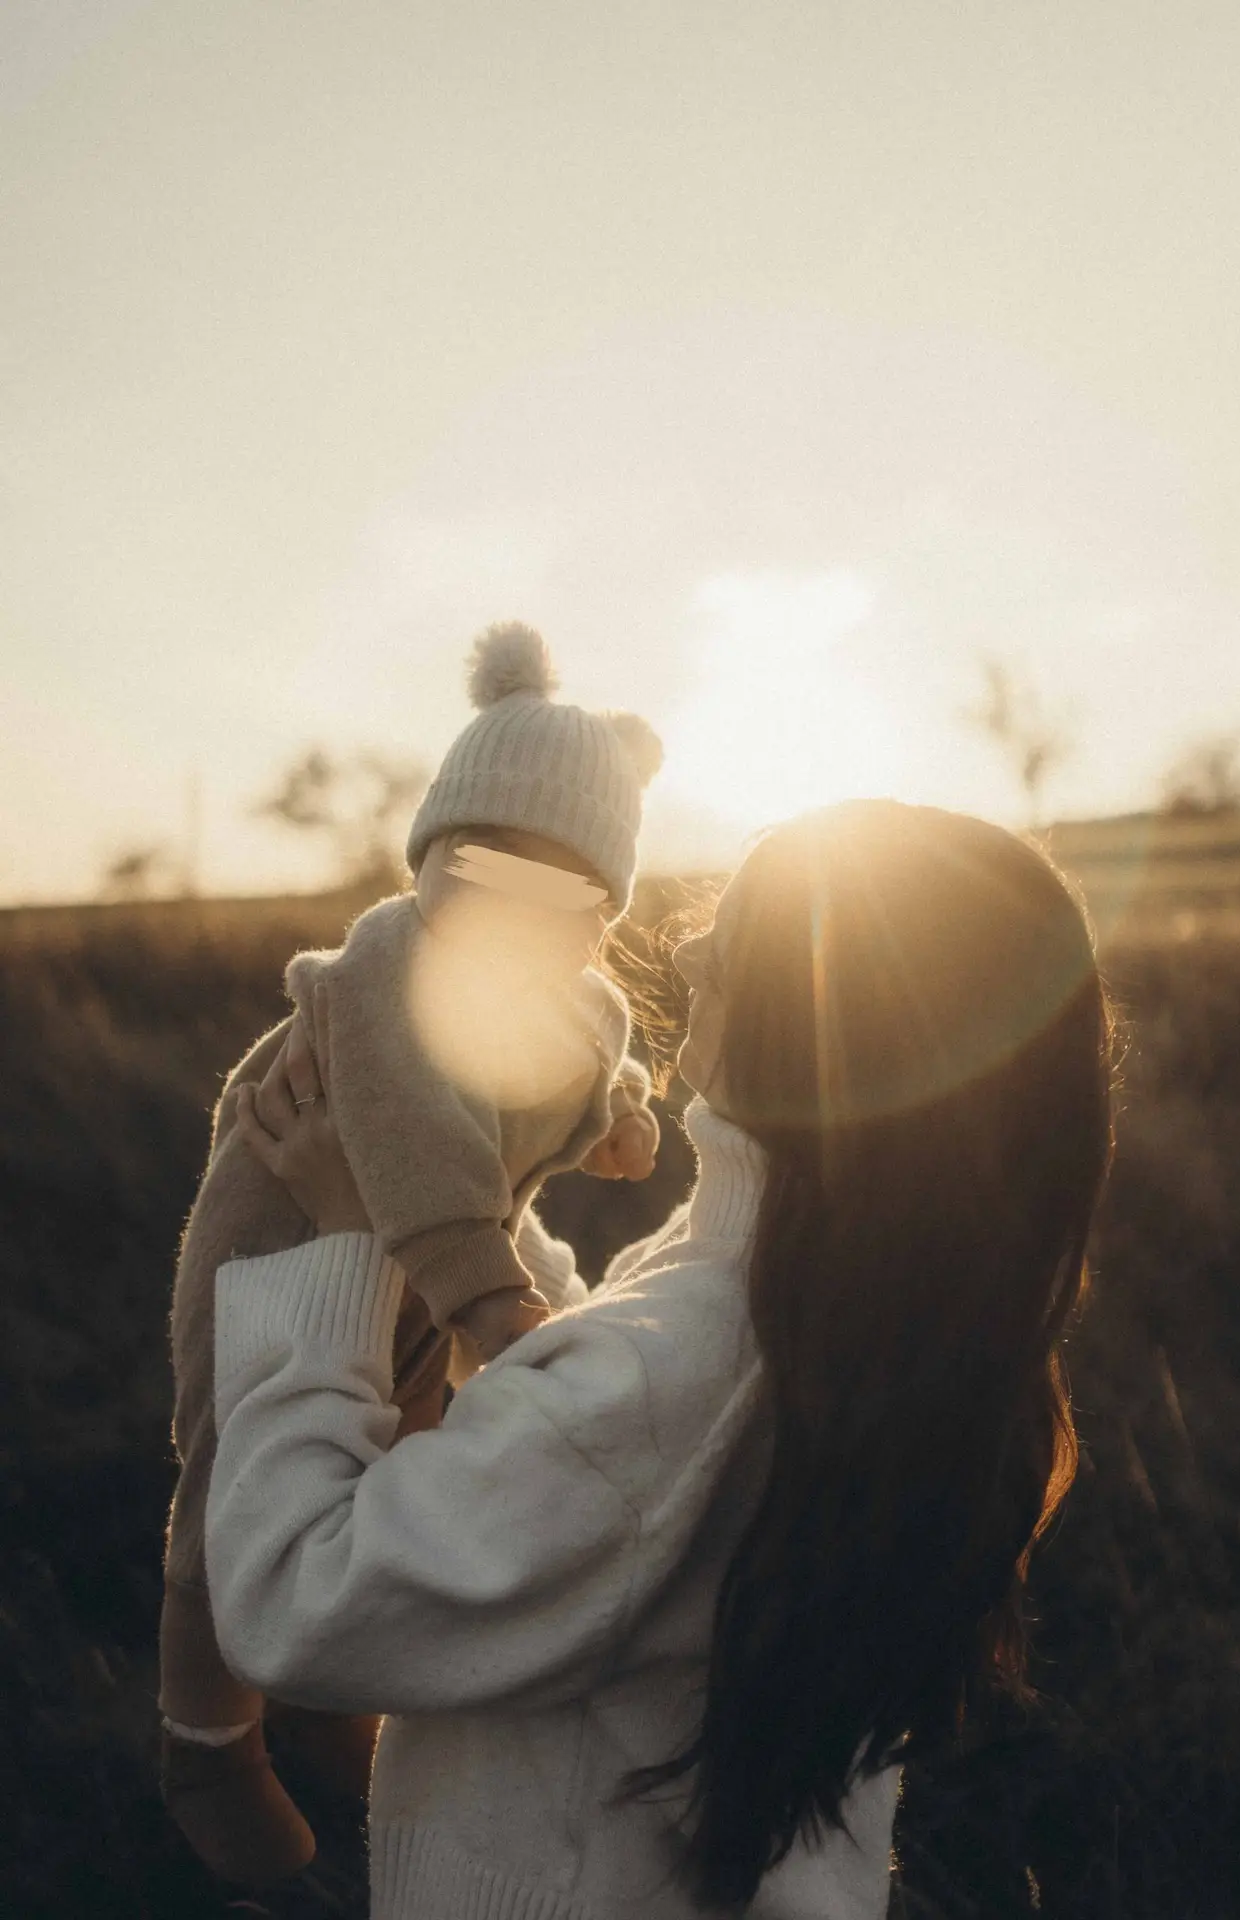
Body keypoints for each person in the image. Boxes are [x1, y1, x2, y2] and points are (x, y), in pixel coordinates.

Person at [206, 798, 1115, 1916]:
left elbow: (295, 1599)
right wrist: (449, 1211)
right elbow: (607, 1434)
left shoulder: (671, 1381)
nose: (681, 946)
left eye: (728, 940)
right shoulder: (860, 1308)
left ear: (820, 1022)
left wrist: (342, 1247)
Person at [160, 621, 665, 1886]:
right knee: (227, 1495)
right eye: (477, 872)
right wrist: (498, 1313)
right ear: (430, 857)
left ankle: (332, 1688)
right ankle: (206, 1742)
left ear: (596, 917)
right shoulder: (388, 970)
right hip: (279, 1247)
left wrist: (616, 1121)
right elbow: (421, 1156)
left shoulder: (579, 997)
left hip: (429, 1285)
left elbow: (580, 1066)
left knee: (398, 1456)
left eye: (557, 898)